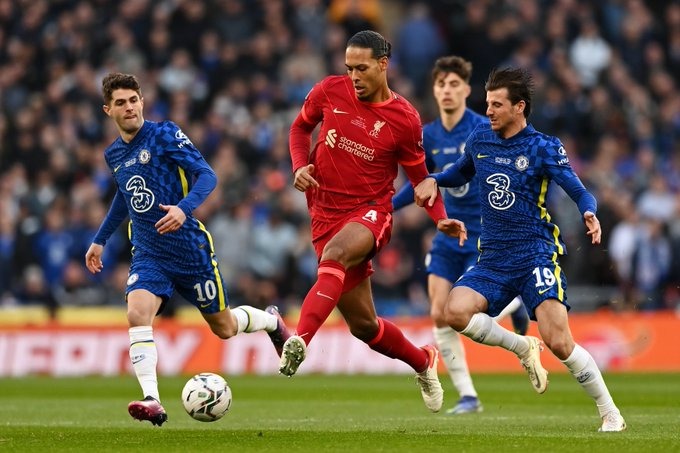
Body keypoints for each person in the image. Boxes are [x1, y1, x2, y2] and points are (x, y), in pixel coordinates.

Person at [414, 67, 626, 432]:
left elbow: (578, 190)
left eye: (497, 105)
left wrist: (589, 212)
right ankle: (521, 347)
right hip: (493, 257)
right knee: (454, 312)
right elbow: (461, 172)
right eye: (487, 103)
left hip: (534, 254)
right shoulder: (481, 137)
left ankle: (610, 413)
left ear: (519, 107)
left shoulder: (543, 147)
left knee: (559, 341)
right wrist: (434, 178)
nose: (488, 111)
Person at [85, 73, 291, 426]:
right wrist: (100, 239)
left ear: (142, 101)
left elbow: (207, 175)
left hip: (189, 250)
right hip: (149, 252)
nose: (129, 107)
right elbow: (124, 195)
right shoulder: (113, 154)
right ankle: (152, 399)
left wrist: (183, 209)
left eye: (133, 100)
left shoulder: (164, 134)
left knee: (224, 327)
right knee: (137, 314)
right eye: (120, 103)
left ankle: (272, 322)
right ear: (108, 110)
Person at [281, 30, 467, 413]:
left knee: (335, 255)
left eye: (361, 68)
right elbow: (299, 128)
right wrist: (299, 166)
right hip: (324, 213)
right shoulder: (329, 90)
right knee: (364, 326)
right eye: (349, 68)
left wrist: (441, 219)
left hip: (370, 212)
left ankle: (300, 340)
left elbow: (421, 181)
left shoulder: (405, 119)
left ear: (383, 65)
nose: (353, 76)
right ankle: (423, 360)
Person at [392, 56, 529, 415]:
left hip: (484, 234)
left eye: (454, 84)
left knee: (466, 310)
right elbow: (421, 182)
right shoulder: (428, 135)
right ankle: (468, 396)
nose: (447, 90)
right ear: (435, 91)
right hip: (448, 233)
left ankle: (514, 303)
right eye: (441, 84)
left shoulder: (484, 128)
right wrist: (389, 207)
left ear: (467, 90)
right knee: (439, 313)